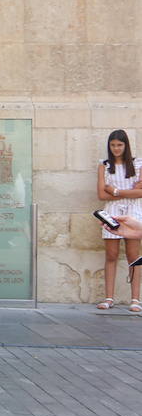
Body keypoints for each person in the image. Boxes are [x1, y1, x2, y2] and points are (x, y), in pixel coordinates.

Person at [94, 130, 142, 312]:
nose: (116, 149)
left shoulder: (138, 164)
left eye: (120, 145)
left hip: (133, 213)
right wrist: (131, 192)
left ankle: (135, 299)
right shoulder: (104, 165)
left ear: (126, 146)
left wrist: (114, 191)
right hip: (112, 213)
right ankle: (109, 297)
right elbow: (100, 194)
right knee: (111, 255)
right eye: (113, 145)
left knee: (134, 257)